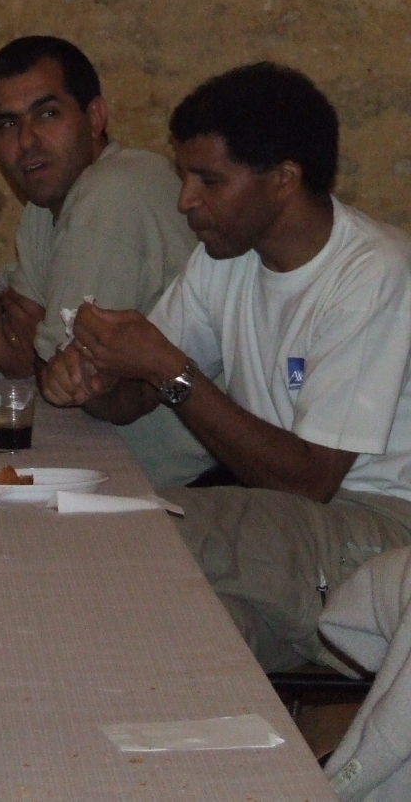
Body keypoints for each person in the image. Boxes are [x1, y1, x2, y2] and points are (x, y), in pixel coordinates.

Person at [41, 62, 411, 673]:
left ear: (283, 180)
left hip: (379, 535)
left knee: (132, 533)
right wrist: (92, 380)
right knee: (160, 626)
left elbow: (309, 481)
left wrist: (167, 367)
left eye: (208, 180)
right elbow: (134, 397)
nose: (185, 200)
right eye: (184, 175)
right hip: (294, 534)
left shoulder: (372, 274)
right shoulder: (227, 257)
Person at [0, 36, 213, 486]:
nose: (26, 141)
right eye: (8, 124)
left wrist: (38, 342)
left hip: (180, 485)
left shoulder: (112, 194)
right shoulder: (47, 204)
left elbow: (63, 378)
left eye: (47, 114)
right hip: (115, 462)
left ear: (95, 118)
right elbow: (18, 350)